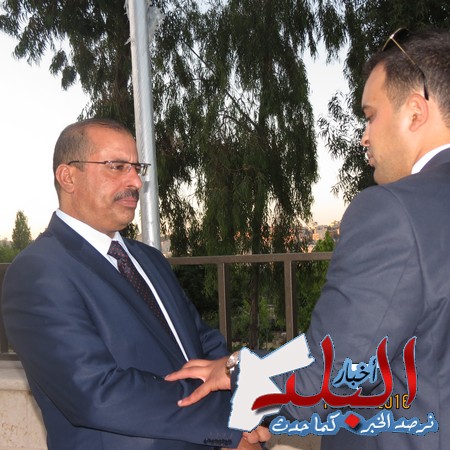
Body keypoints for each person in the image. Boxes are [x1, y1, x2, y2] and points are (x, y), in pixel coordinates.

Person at [166, 28, 450, 450]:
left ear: (414, 111)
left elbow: (328, 378)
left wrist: (239, 375)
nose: (364, 135)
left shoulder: (393, 211)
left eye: (370, 115)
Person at [1, 118, 263, 450]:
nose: (136, 181)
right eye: (117, 167)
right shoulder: (38, 271)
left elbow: (202, 343)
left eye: (137, 168)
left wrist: (243, 412)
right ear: (68, 177)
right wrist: (225, 427)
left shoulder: (149, 259)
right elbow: (96, 393)